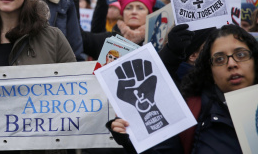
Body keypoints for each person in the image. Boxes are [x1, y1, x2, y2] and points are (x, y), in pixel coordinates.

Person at [108, 24, 257, 153]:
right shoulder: (192, 109)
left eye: (241, 54)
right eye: (219, 59)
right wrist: (132, 141)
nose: (231, 63)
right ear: (209, 67)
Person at [81, 0, 157, 59]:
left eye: (140, 8)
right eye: (128, 8)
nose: (134, 12)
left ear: (149, 14)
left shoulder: (157, 40)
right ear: (122, 14)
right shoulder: (109, 39)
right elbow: (79, 38)